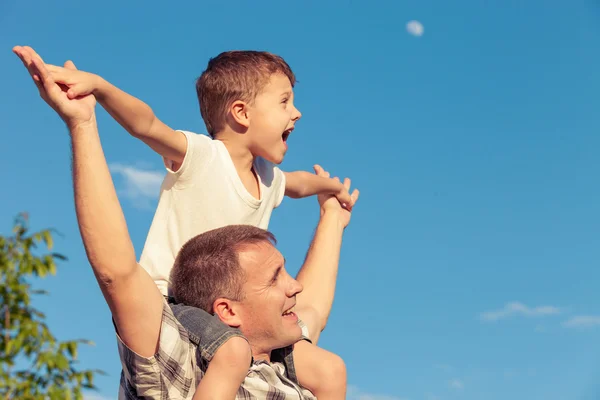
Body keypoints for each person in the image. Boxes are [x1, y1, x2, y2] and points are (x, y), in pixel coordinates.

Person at [13, 46, 358, 399]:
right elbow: (145, 124)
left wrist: (331, 193)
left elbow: (299, 184)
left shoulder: (268, 178)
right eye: (284, 102)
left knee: (329, 368)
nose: (296, 113)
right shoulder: (203, 157)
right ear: (241, 112)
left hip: (232, 318)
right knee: (233, 352)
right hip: (178, 301)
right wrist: (99, 90)